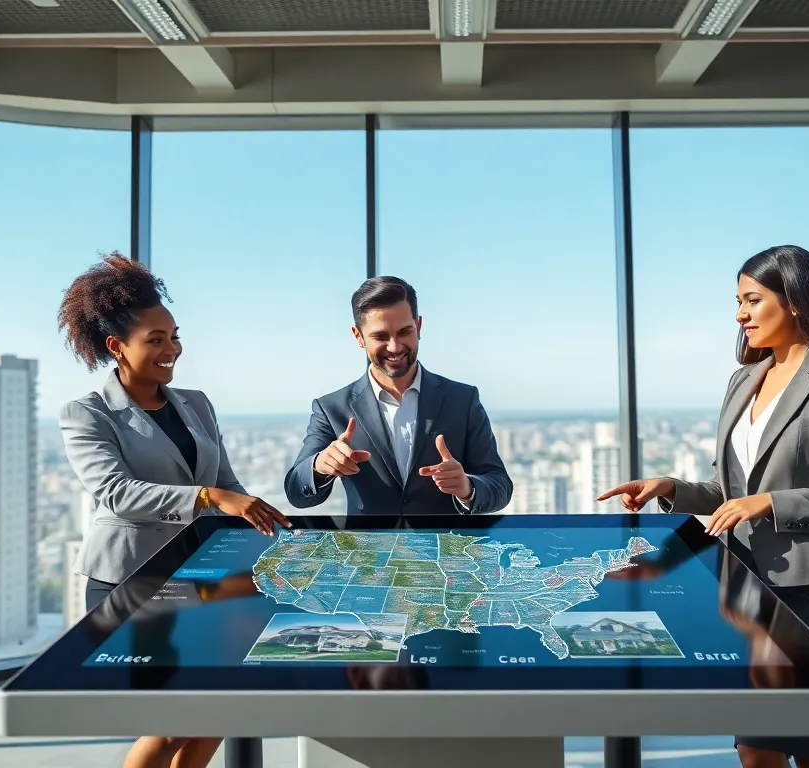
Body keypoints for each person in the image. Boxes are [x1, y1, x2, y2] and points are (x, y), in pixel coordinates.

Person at [598, 245, 809, 768]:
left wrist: (771, 504)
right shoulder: (743, 380)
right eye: (739, 301)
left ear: (796, 301)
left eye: (753, 300)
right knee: (755, 749)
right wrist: (671, 488)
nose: (740, 314)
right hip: (746, 590)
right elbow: (731, 493)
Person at [57, 253, 290, 768]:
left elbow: (225, 481)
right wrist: (207, 498)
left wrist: (263, 525)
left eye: (174, 336)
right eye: (155, 340)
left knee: (216, 709)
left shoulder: (196, 403)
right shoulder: (87, 414)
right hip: (130, 580)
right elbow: (117, 492)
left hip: (200, 576)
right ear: (117, 347)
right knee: (169, 724)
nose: (172, 350)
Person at [284, 276, 512, 516]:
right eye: (381, 337)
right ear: (358, 337)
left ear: (419, 326)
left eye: (404, 332)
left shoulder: (463, 400)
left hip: (445, 551)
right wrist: (320, 466)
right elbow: (295, 491)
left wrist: (468, 488)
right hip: (369, 552)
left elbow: (500, 485)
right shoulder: (331, 408)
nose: (394, 347)